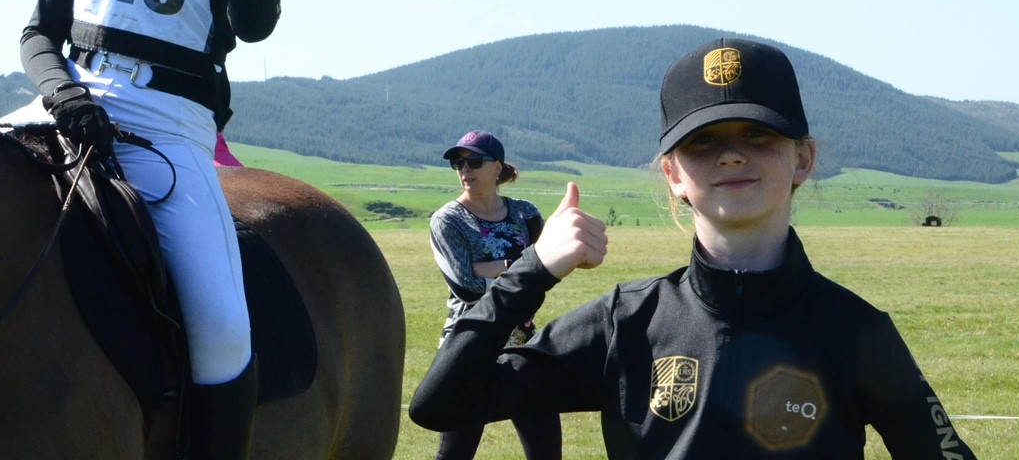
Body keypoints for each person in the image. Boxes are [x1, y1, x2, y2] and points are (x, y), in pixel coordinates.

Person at [410, 37, 977, 459]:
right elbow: (440, 406)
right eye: (702, 142)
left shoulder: (857, 333)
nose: (730, 156)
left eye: (757, 135)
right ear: (673, 174)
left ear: (802, 159)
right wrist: (529, 273)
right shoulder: (625, 325)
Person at [19, 0, 279, 460]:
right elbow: (38, 31)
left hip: (167, 124)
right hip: (66, 105)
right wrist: (64, 94)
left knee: (223, 328)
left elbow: (255, 22)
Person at [428, 131, 561, 460]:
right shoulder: (447, 221)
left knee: (546, 449)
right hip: (468, 344)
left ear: (497, 168)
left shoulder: (525, 214)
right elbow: (466, 287)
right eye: (458, 163)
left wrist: (488, 266)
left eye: (474, 161)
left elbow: (545, 271)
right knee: (455, 452)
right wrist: (517, 267)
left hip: (523, 344)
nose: (464, 169)